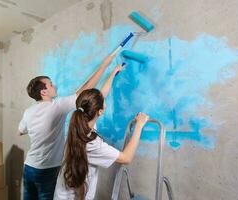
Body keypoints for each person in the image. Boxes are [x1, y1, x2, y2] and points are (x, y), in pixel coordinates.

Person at [18, 53, 121, 200]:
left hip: (29, 167)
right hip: (48, 170)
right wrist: (105, 65)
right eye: (51, 84)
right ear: (44, 92)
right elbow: (86, 89)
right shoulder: (57, 106)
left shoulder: (28, 112)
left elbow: (20, 131)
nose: (54, 86)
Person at [54, 67, 149, 200]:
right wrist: (139, 125)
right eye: (104, 103)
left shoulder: (78, 123)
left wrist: (113, 73)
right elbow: (126, 158)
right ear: (99, 111)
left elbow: (100, 96)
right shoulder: (92, 143)